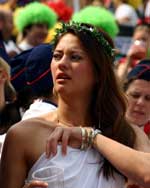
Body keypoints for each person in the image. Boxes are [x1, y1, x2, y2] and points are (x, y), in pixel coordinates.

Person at [0, 22, 149, 188]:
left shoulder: (126, 133)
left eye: (75, 57)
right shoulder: (23, 134)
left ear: (99, 72)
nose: (62, 63)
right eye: (57, 56)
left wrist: (90, 137)